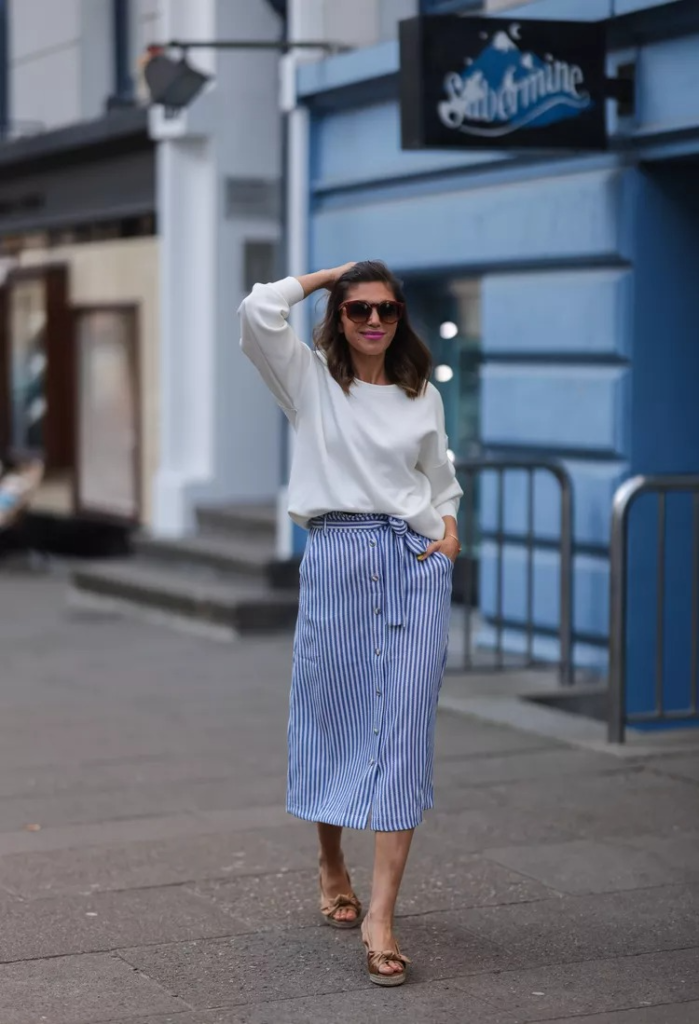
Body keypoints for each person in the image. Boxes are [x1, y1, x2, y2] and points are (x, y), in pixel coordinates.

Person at [239, 260, 463, 987]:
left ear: (402, 318)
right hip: (336, 555)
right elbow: (256, 312)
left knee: (403, 725)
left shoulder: (419, 393)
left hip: (413, 561)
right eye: (357, 308)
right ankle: (331, 860)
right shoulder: (308, 380)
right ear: (338, 316)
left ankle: (383, 915)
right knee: (331, 713)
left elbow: (440, 470)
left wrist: (449, 528)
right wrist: (330, 274)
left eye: (387, 309)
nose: (372, 320)